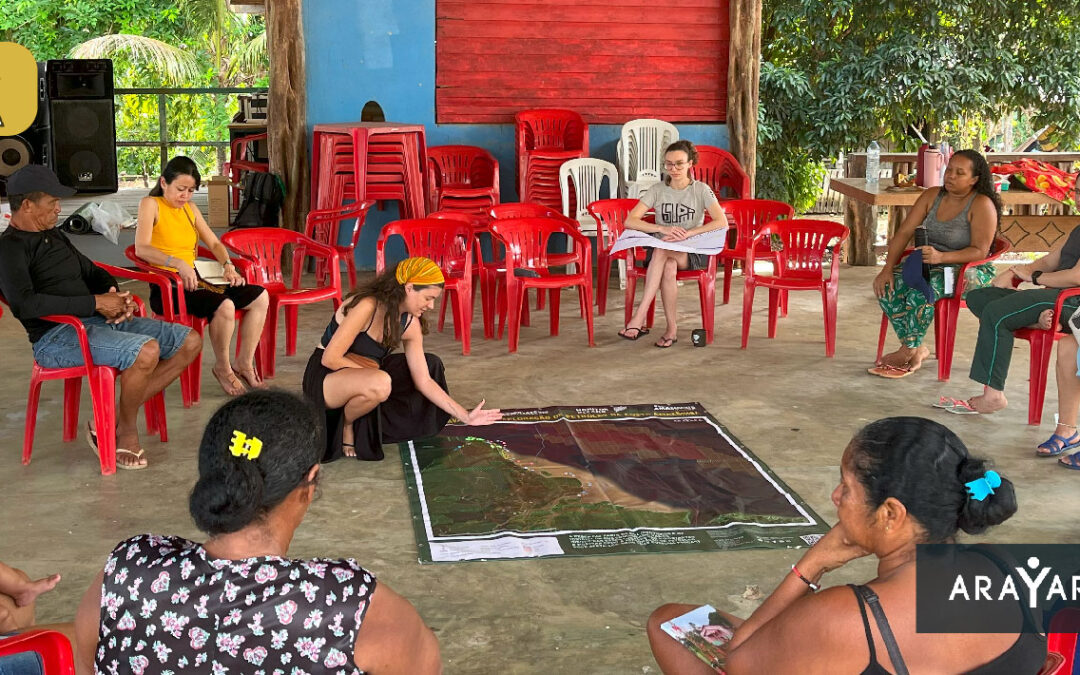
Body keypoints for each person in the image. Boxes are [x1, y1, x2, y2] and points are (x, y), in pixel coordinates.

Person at [72, 390, 442, 674]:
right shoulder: (349, 606)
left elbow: (83, 659)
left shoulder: (129, 569)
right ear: (309, 483)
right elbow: (423, 661)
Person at [647, 417, 1044, 674]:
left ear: (891, 514)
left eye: (848, 487)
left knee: (666, 624)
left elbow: (738, 661)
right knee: (679, 619)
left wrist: (811, 566)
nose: (836, 496)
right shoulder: (1005, 567)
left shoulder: (850, 618)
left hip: (856, 637)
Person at [0, 165, 200, 469]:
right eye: (52, 202)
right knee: (146, 351)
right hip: (56, 337)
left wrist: (115, 295)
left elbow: (90, 271)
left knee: (190, 341)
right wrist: (95, 303)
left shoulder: (54, 235)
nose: (59, 208)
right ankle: (127, 432)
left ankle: (110, 421)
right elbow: (25, 304)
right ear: (27, 205)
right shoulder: (9, 249)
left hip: (94, 321)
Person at [303, 257, 501, 461]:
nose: (431, 306)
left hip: (364, 377)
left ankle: (357, 417)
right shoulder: (367, 306)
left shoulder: (410, 324)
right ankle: (347, 424)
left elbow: (424, 381)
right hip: (326, 377)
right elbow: (330, 358)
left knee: (430, 363)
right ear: (408, 288)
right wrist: (373, 372)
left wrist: (465, 416)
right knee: (381, 382)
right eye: (428, 298)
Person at [941, 177, 1080, 414]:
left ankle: (993, 395)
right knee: (979, 298)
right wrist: (1014, 273)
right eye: (1077, 191)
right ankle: (1038, 320)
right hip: (1055, 296)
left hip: (1073, 302)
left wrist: (1033, 279)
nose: (1079, 197)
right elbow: (1048, 261)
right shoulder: (1078, 230)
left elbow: (1076, 277)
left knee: (997, 312)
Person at [135, 156, 269, 396]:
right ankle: (223, 367)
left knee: (259, 296)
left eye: (190, 191)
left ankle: (244, 363)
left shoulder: (190, 209)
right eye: (180, 189)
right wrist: (176, 263)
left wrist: (227, 264)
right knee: (225, 306)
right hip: (168, 285)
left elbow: (215, 243)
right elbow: (141, 248)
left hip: (197, 279)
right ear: (163, 182)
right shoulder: (150, 204)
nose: (184, 196)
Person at [871, 150, 1000, 378]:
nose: (950, 176)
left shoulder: (981, 204)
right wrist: (887, 269)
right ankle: (917, 347)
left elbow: (979, 251)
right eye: (949, 170)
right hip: (931, 264)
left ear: (974, 179)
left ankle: (907, 350)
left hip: (967, 271)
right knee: (886, 287)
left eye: (959, 173)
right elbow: (903, 233)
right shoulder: (932, 196)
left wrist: (942, 257)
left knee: (920, 292)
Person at [618, 140, 729, 348]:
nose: (674, 169)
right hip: (663, 251)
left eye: (679, 163)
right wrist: (662, 229)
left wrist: (689, 233)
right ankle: (671, 330)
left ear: (690, 164)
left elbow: (720, 222)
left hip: (691, 250)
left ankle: (639, 317)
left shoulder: (701, 190)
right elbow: (630, 220)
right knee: (667, 264)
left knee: (662, 250)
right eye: (669, 164)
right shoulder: (657, 189)